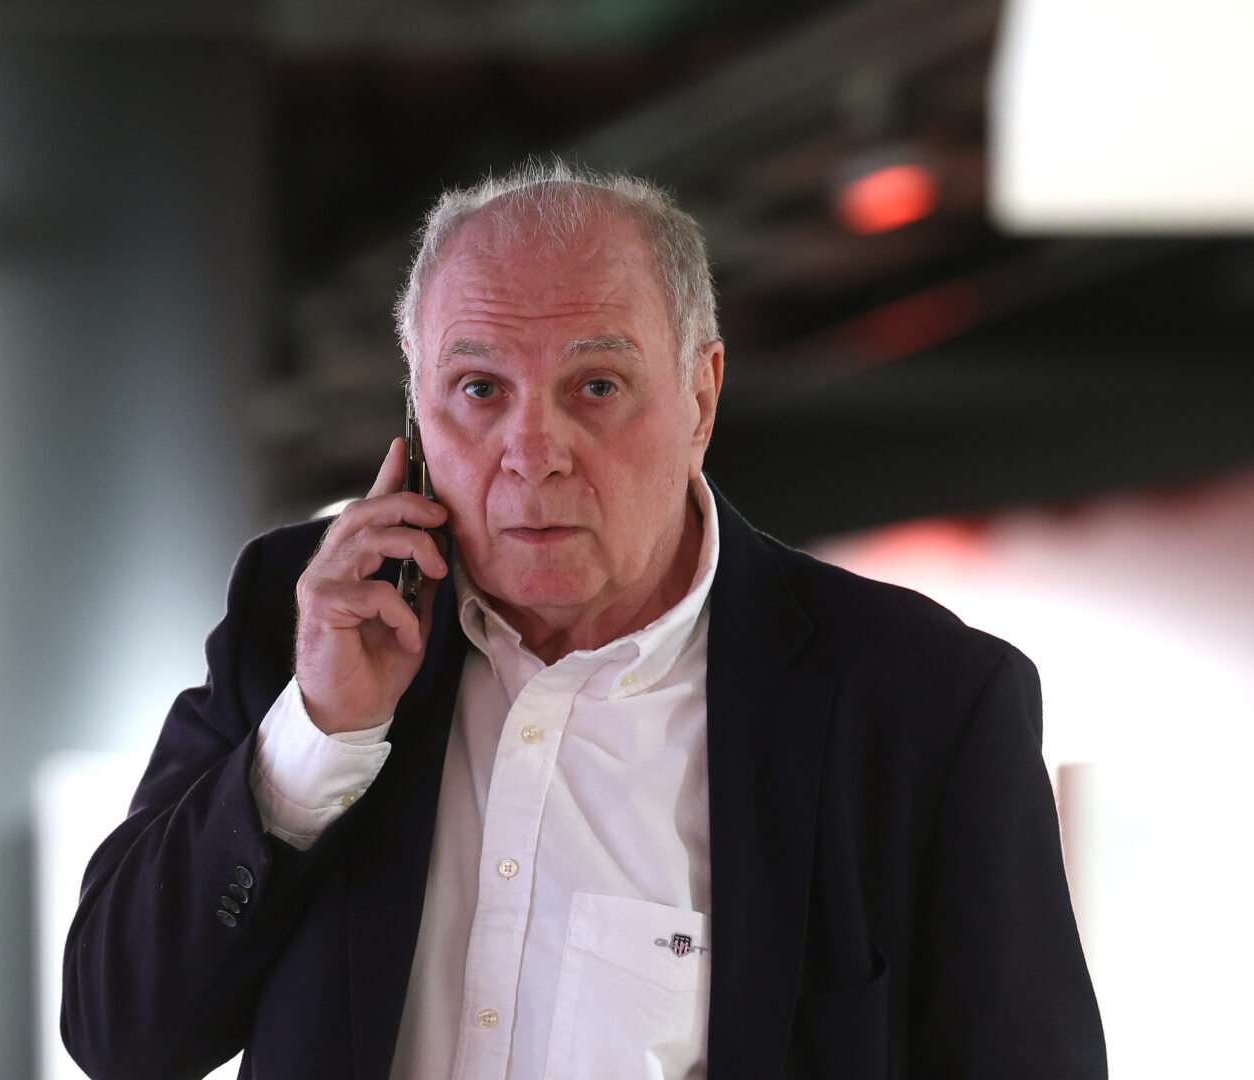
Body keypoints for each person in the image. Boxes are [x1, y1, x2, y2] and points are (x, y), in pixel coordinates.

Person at [60, 161, 1106, 1079]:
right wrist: (319, 735)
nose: (533, 453)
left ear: (700, 399)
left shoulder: (922, 705)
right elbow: (121, 1036)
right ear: (416, 407)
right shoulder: (305, 619)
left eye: (596, 386)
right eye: (479, 389)